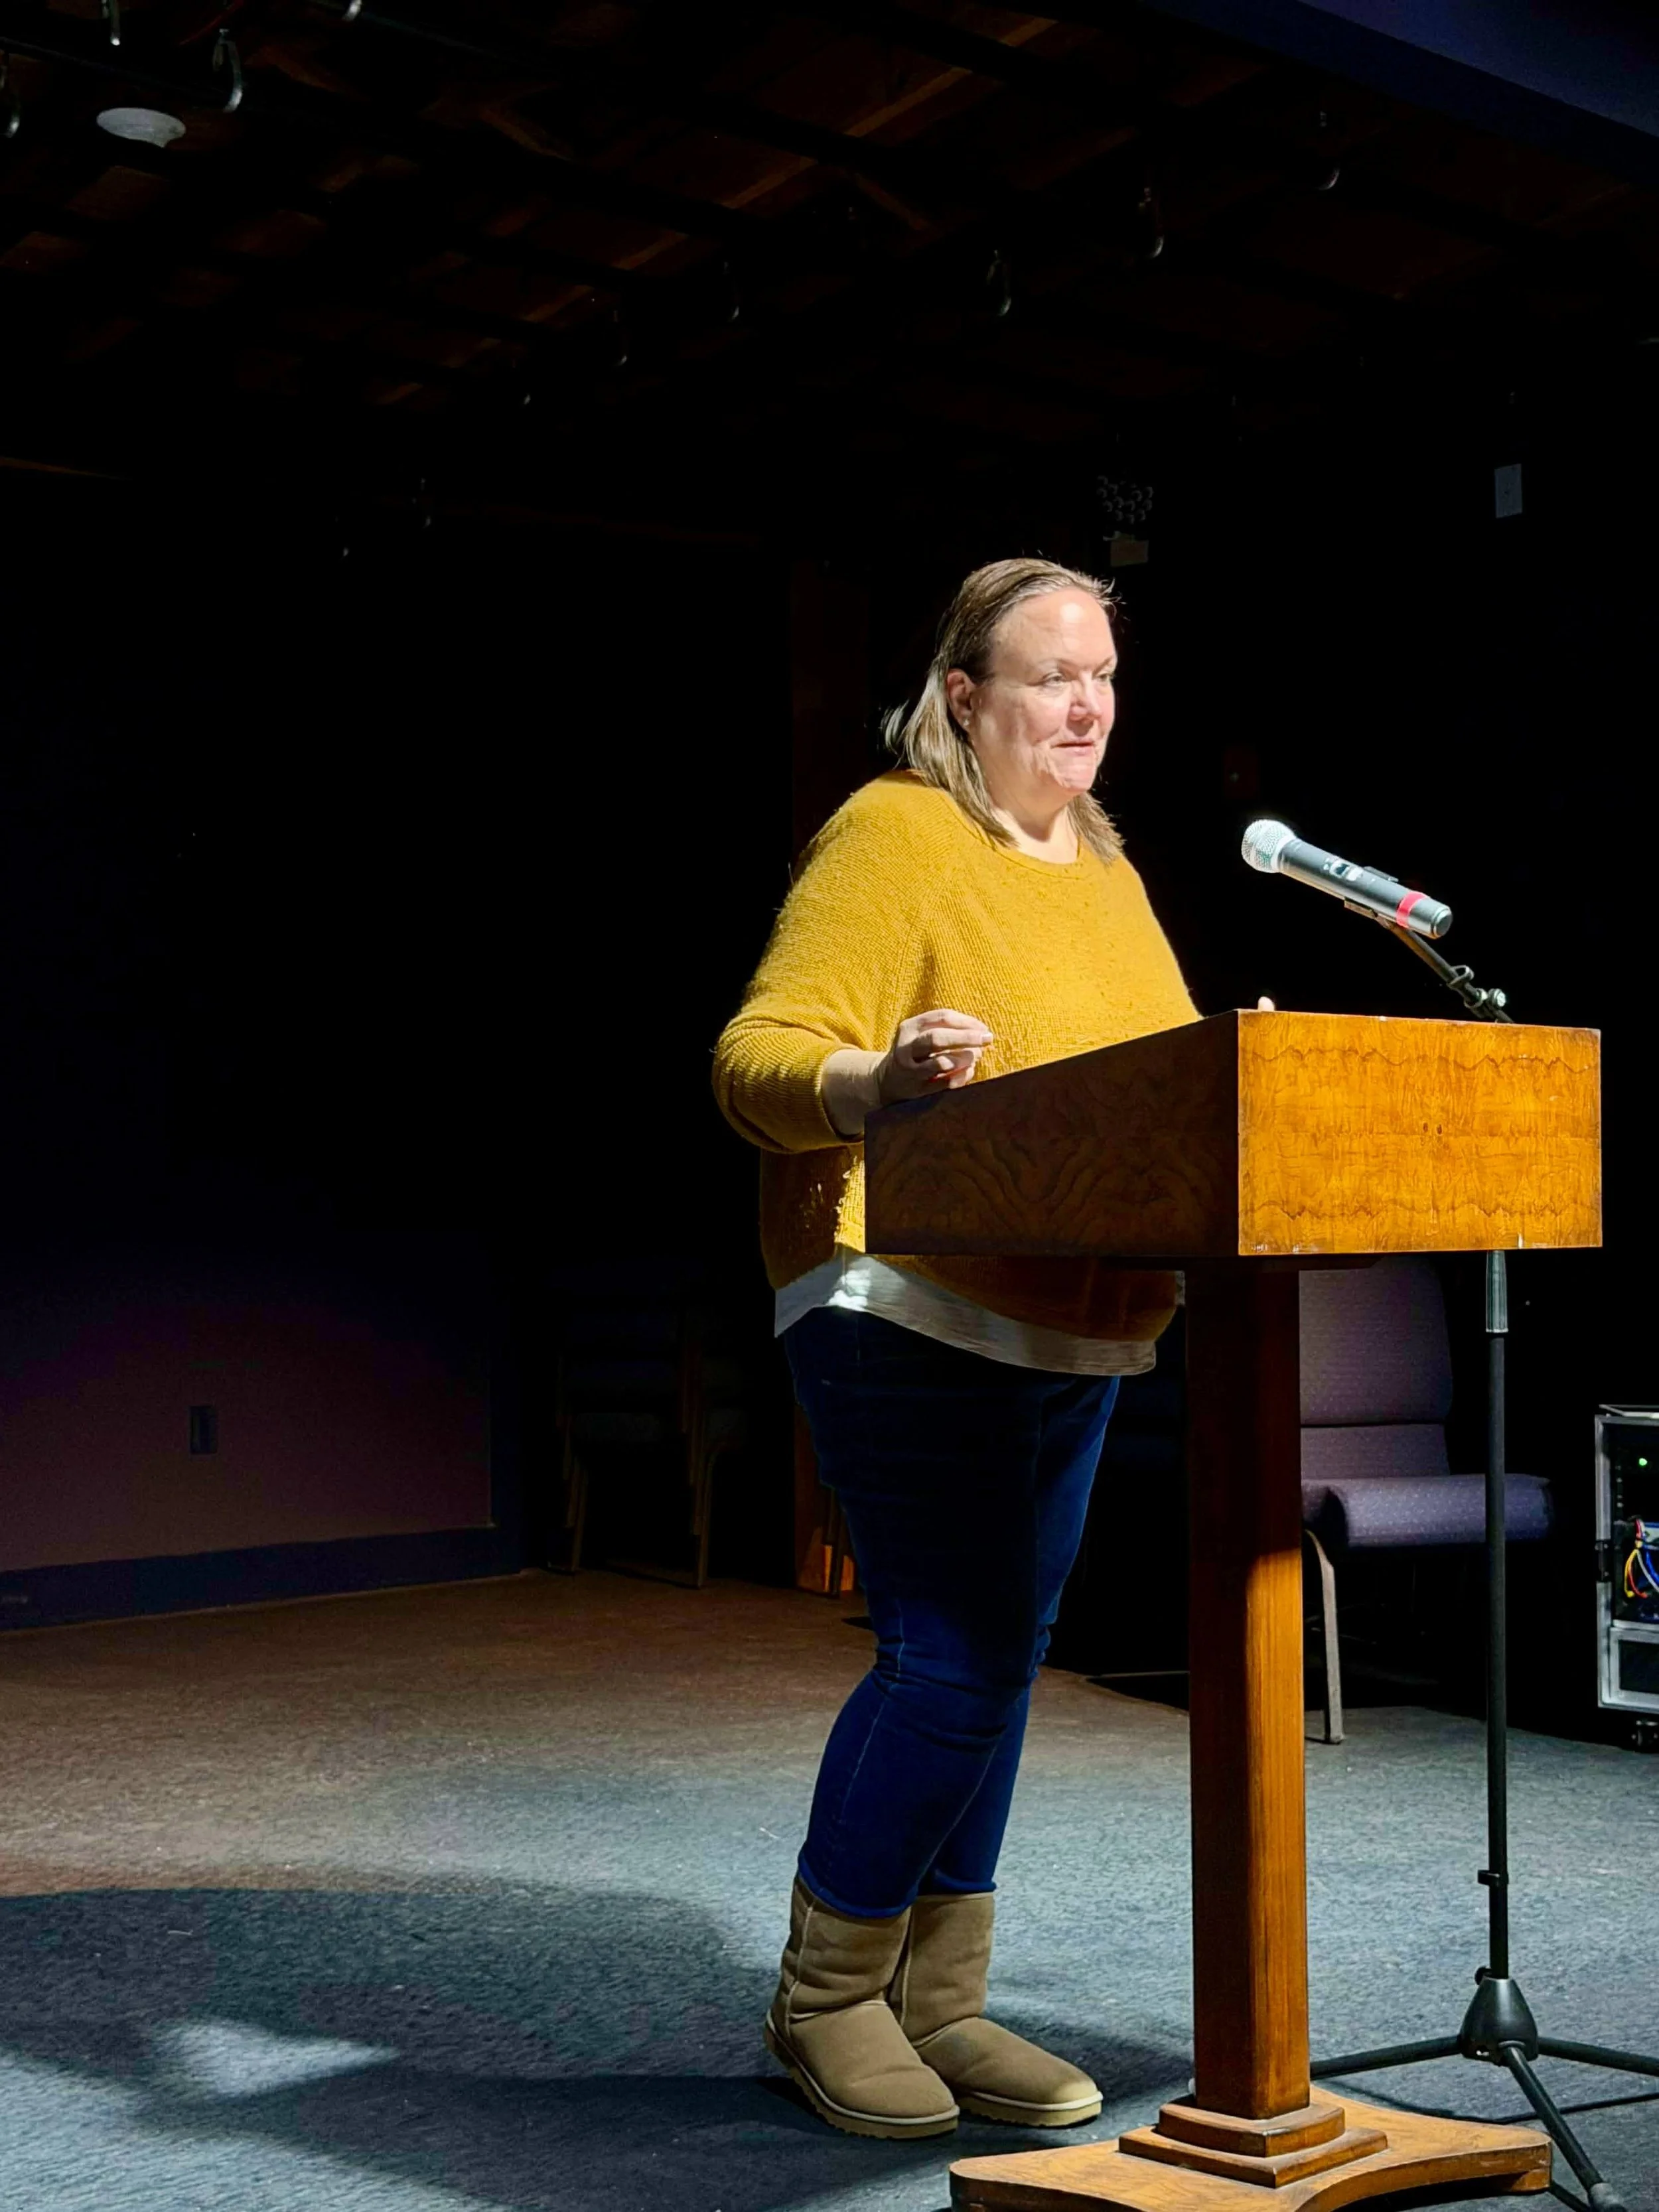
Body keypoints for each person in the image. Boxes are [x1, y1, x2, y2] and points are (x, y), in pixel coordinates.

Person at [711, 556, 1199, 2143]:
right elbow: (755, 1056)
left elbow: (1186, 1098)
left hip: (1067, 1304)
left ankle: (939, 1998)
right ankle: (826, 1995)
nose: (1083, 704)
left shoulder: (1110, 875)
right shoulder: (896, 831)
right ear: (962, 695)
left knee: (1000, 1659)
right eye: (1049, 673)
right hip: (893, 1288)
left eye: (1104, 677)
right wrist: (882, 1075)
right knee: (954, 1652)